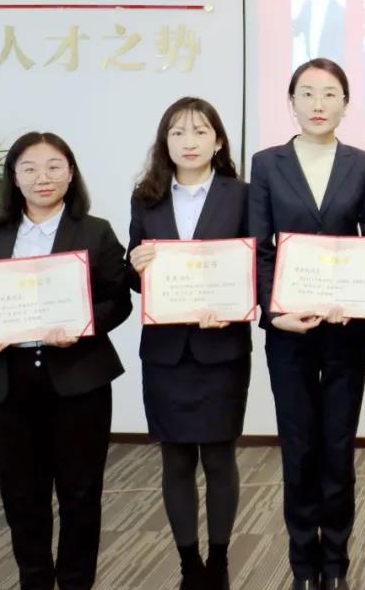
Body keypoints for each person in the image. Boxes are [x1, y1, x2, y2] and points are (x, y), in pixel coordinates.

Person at [0, 131, 131, 590]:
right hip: (9, 383)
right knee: (21, 497)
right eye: (29, 168)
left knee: (80, 495)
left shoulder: (95, 231)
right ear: (14, 177)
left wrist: (82, 325)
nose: (42, 177)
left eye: (54, 166)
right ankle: (34, 581)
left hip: (78, 380)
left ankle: (75, 583)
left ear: (70, 174)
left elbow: (118, 300)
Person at [250, 58, 365, 590]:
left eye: (330, 94)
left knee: (338, 446)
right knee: (299, 446)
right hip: (289, 332)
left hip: (345, 329)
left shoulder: (361, 164)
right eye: (307, 93)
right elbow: (259, 247)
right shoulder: (267, 163)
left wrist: (362, 303)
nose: (318, 104)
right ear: (292, 102)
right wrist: (274, 313)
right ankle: (303, 563)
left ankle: (337, 562)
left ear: (345, 104)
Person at [126, 98, 251, 590]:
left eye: (200, 132)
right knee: (175, 459)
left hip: (222, 348)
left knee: (219, 457)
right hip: (165, 352)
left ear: (218, 141)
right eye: (177, 133)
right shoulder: (146, 197)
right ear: (165, 143)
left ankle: (218, 563)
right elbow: (136, 276)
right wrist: (135, 265)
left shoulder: (242, 196)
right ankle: (188, 565)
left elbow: (255, 266)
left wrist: (234, 303)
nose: (189, 142)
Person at [292, 0, 347, 66]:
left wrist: (325, 69)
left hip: (330, 69)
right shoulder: (306, 6)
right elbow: (297, 28)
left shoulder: (339, 12)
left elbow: (340, 49)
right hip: (312, 67)